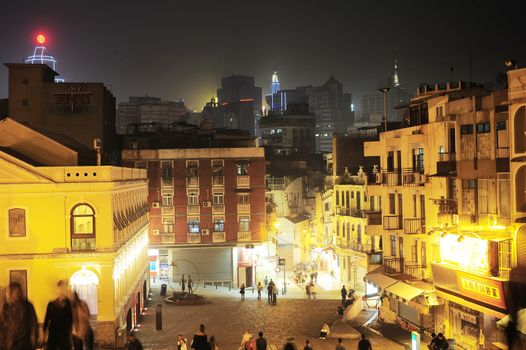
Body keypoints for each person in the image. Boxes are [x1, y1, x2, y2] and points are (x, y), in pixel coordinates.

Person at [0, 282, 39, 350]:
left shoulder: (28, 306)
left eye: (20, 292)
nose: (20, 294)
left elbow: (34, 324)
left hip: (24, 344)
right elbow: (1, 326)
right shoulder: (5, 307)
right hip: (9, 345)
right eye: (17, 292)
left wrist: (33, 340)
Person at [43, 280, 73, 350]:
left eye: (65, 288)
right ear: (58, 289)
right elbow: (46, 319)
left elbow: (71, 320)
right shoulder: (51, 304)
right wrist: (44, 333)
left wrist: (70, 335)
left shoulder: (69, 304)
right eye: (61, 287)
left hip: (64, 334)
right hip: (54, 333)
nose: (63, 290)